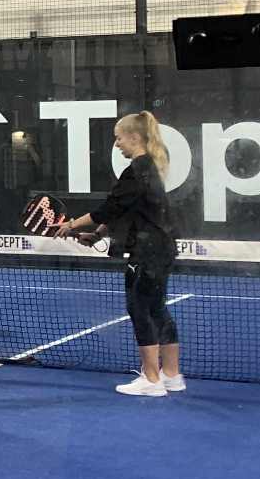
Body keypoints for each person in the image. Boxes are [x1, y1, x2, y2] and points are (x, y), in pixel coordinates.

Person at [56, 111, 182, 397]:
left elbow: (109, 208)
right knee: (157, 308)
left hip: (148, 252)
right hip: (160, 249)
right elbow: (124, 210)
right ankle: (172, 376)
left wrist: (72, 225)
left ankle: (152, 380)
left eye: (119, 138)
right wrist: (97, 235)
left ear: (134, 137)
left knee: (140, 308)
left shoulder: (137, 169)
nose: (116, 144)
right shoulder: (148, 167)